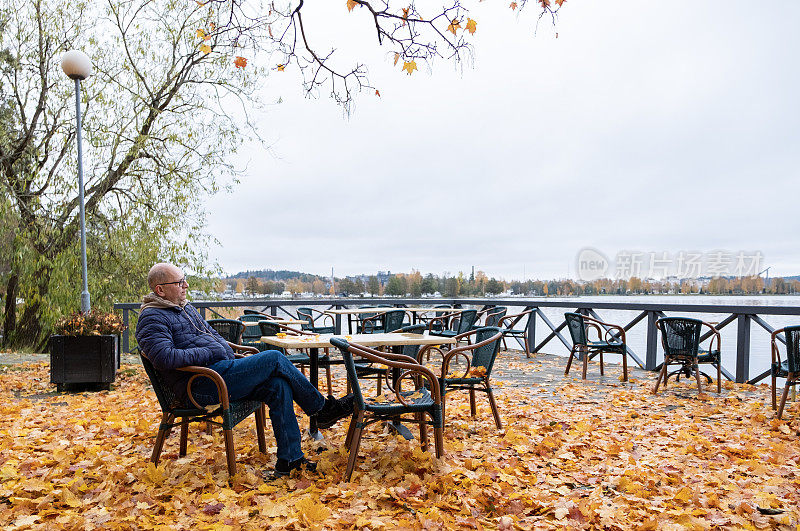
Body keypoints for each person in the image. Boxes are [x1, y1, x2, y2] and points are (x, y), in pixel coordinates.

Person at [135, 262, 353, 478]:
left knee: (278, 385)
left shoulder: (185, 309)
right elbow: (165, 357)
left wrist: (222, 350)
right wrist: (210, 352)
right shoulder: (152, 317)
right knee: (275, 358)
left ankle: (290, 460)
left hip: (220, 372)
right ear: (160, 290)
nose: (186, 285)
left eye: (184, 280)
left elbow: (213, 335)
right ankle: (322, 410)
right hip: (201, 385)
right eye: (179, 282)